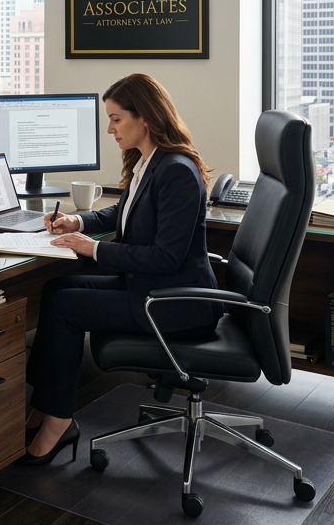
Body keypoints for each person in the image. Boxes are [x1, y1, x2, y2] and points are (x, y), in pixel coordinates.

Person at [18, 73, 221, 465]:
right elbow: (123, 212)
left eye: (116, 119)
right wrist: (78, 222)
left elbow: (165, 257)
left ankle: (59, 422)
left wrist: (94, 249)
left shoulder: (177, 170)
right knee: (56, 290)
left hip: (175, 304)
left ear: (145, 117)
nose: (109, 129)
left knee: (66, 307)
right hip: (150, 289)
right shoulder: (150, 160)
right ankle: (44, 406)